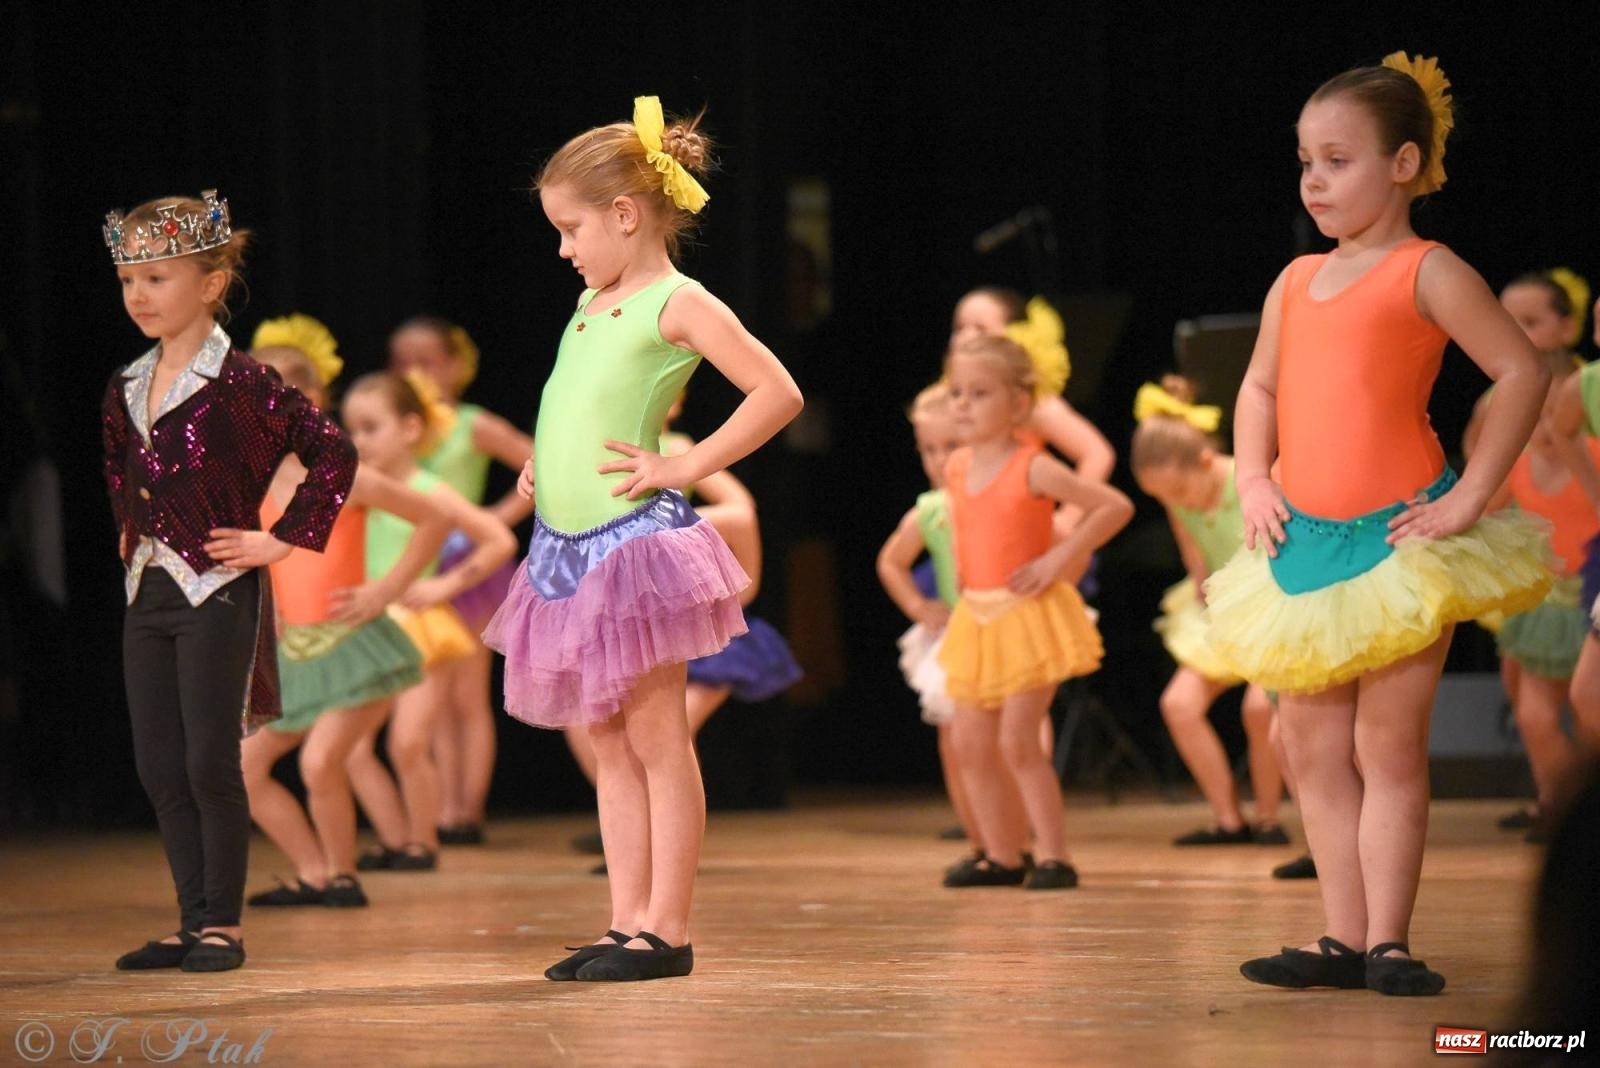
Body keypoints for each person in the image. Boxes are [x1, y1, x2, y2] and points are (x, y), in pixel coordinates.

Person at [1208, 54, 1553, 996]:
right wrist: (1251, 478)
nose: (1315, 181)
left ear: (1404, 164)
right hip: (1300, 541)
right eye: (1306, 162)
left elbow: (1521, 371)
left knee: (1387, 748)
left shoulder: (1426, 270)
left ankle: (1390, 941)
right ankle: (1341, 937)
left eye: (1338, 159)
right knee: (1310, 751)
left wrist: (1473, 493)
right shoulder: (1293, 280)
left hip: (1400, 541)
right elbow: (1260, 386)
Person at [483, 96, 802, 982]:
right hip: (564, 542)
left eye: (571, 227)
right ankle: (624, 921)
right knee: (607, 741)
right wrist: (545, 465)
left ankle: (669, 927)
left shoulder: (679, 301)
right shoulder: (590, 302)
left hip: (630, 548)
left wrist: (686, 461)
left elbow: (777, 393)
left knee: (658, 737)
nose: (563, 247)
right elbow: (574, 403)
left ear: (625, 215)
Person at [101, 191, 357, 971]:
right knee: (159, 762)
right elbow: (121, 464)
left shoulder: (245, 384)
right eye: (128, 279)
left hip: (217, 588)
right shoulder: (126, 381)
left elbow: (335, 454)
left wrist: (279, 541)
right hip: (148, 590)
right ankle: (190, 919)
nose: (139, 295)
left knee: (211, 759)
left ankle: (223, 926)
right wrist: (128, 530)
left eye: (158, 277)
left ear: (211, 283)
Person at [241, 321, 450, 909]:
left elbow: (433, 520)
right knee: (242, 769)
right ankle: (318, 873)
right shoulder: (253, 483)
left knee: (320, 761)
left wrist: (384, 590)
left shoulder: (343, 477)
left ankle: (342, 876)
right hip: (295, 652)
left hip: (356, 647)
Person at [936, 335, 1134, 890]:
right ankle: (1002, 853)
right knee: (971, 743)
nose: (963, 405)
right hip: (976, 618)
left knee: (1017, 741)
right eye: (957, 393)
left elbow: (1114, 505)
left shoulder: (1033, 466)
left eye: (979, 393)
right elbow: (963, 527)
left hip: (1027, 619)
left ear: (1018, 405)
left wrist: (1061, 555)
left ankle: (1055, 854)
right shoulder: (955, 466)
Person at [389, 318, 534, 845]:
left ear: (455, 364)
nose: (413, 370)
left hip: (466, 570)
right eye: (401, 360)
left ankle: (463, 812)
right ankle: (439, 809)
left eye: (425, 359)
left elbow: (537, 462)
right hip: (413, 563)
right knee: (428, 696)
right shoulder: (395, 424)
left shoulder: (471, 423)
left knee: (466, 696)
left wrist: (493, 517)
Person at [1130, 377, 1283, 846]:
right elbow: (1198, 565)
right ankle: (1227, 819)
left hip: (1275, 609)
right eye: (1161, 497)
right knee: (1178, 704)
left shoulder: (1249, 481)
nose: (1175, 502)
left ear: (1204, 461)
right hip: (1227, 613)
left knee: (1261, 709)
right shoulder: (1181, 505)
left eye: (1178, 489)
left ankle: (1268, 818)